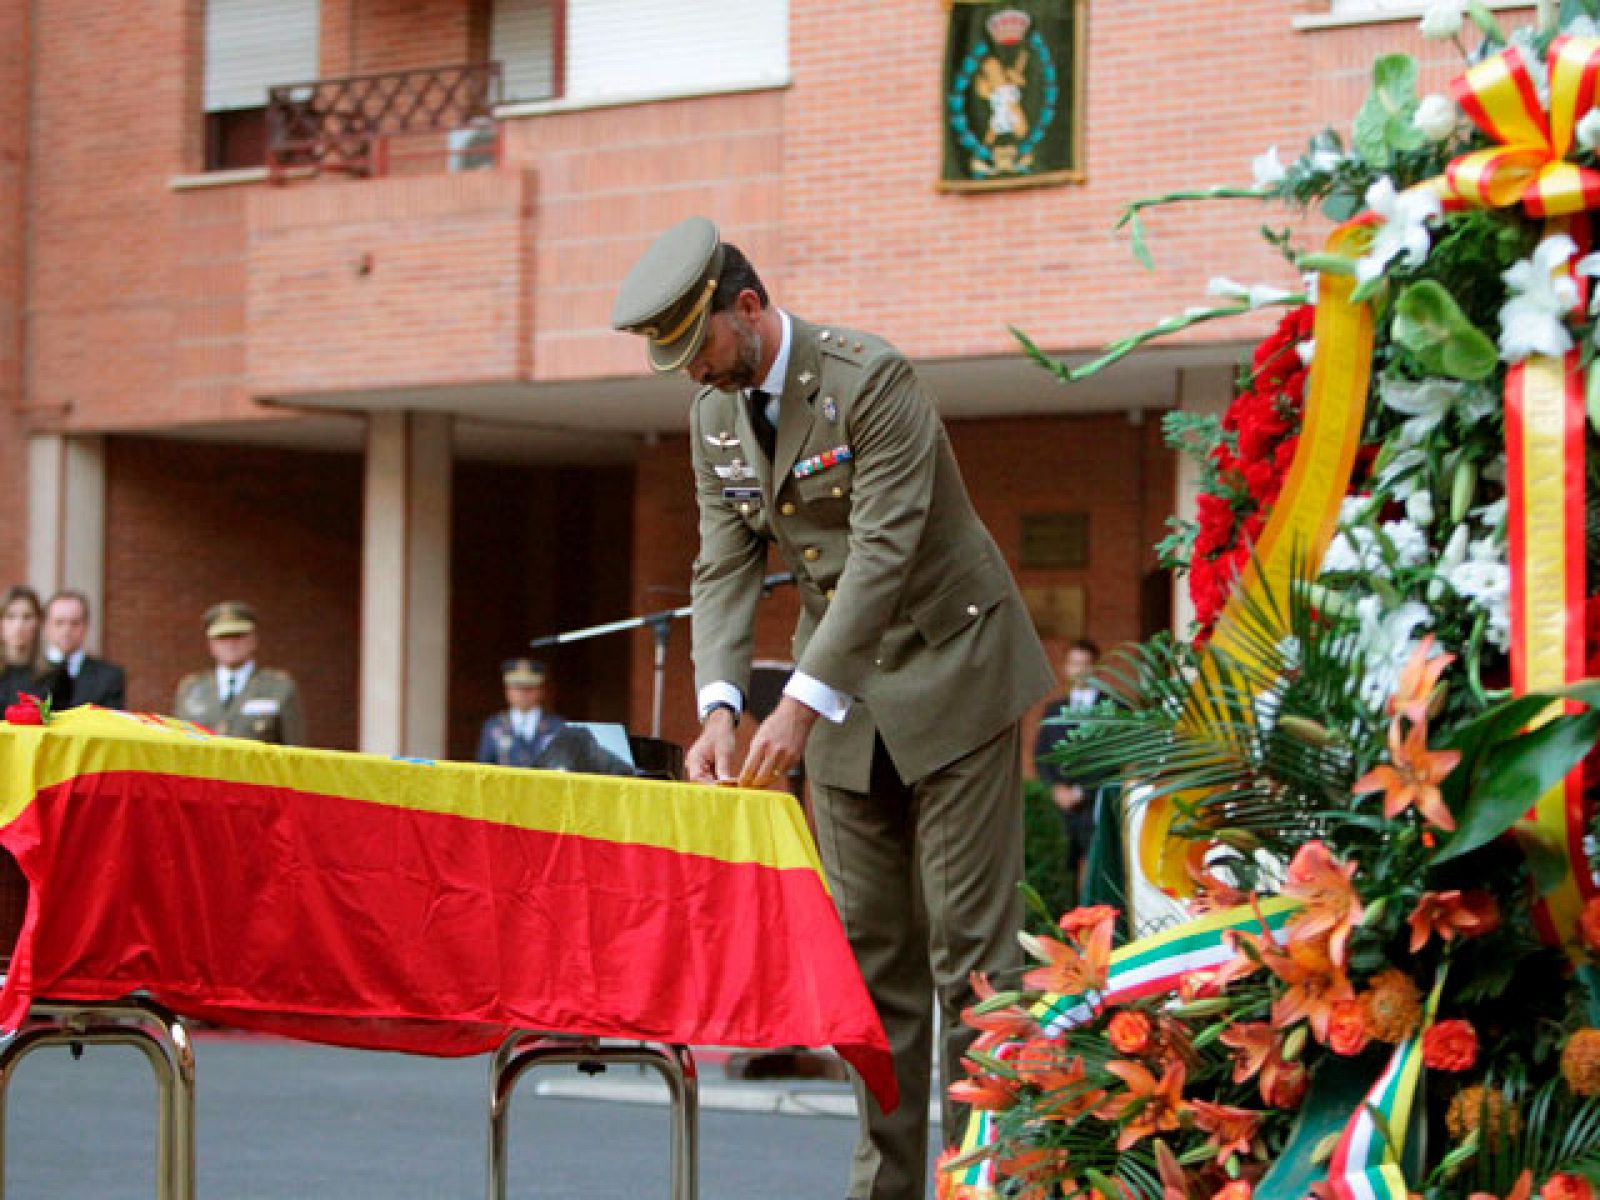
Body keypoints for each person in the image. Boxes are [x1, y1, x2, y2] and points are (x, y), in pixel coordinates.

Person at [612, 217, 1056, 1200]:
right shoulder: (713, 421)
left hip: (953, 675)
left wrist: (799, 706)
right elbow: (723, 563)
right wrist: (723, 702)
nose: (691, 374)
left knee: (972, 964)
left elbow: (886, 552)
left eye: (700, 348)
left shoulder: (870, 379)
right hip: (846, 701)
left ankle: (988, 1185)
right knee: (869, 969)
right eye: (674, 360)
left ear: (748, 307)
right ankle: (884, 1190)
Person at [172, 602, 305, 744]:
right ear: (210, 644)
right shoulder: (191, 688)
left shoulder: (278, 687)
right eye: (222, 637)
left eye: (238, 635)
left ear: (253, 639)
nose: (230, 644)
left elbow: (294, 751)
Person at [476, 658, 635, 776]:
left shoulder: (557, 726)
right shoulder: (494, 726)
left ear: (541, 690)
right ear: (507, 690)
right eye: (517, 687)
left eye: (529, 688)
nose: (522, 693)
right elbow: (483, 771)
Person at [1034, 638, 1103, 893]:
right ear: (1065, 668)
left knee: (1094, 872)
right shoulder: (1054, 710)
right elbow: (1042, 755)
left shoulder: (1114, 708)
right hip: (1060, 810)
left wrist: (1082, 792)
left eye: (1086, 664)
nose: (1080, 670)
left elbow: (1113, 760)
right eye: (1075, 663)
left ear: (1097, 668)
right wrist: (1056, 789)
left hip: (1096, 804)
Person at [42, 589, 126, 709]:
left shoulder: (109, 677)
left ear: (86, 626)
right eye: (59, 622)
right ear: (46, 625)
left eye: (75, 623)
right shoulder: (26, 675)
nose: (67, 630)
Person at [0, 585, 66, 711]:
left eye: (27, 617)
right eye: (10, 617)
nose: (19, 626)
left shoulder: (55, 675)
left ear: (39, 622)